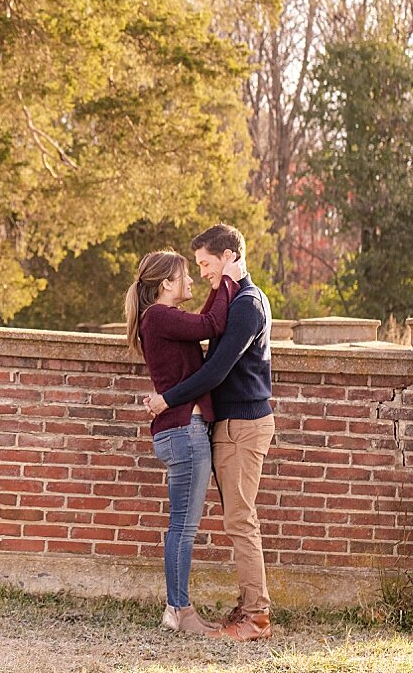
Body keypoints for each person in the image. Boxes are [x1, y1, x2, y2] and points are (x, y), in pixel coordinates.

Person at [143, 224, 275, 642]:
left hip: (243, 425)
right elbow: (207, 332)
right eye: (195, 265)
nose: (201, 272)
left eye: (205, 263)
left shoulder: (247, 304)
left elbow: (215, 370)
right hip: (228, 425)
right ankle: (249, 606)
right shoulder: (235, 300)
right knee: (233, 519)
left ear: (229, 257)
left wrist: (167, 399)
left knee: (240, 521)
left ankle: (256, 617)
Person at [125, 249, 240, 635]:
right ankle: (179, 611)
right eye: (185, 276)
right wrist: (228, 278)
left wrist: (222, 283)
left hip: (179, 430)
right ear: (165, 285)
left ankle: (178, 609)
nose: (192, 281)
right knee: (184, 529)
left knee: (181, 526)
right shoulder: (158, 316)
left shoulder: (161, 319)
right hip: (184, 431)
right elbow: (212, 323)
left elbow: (204, 321)